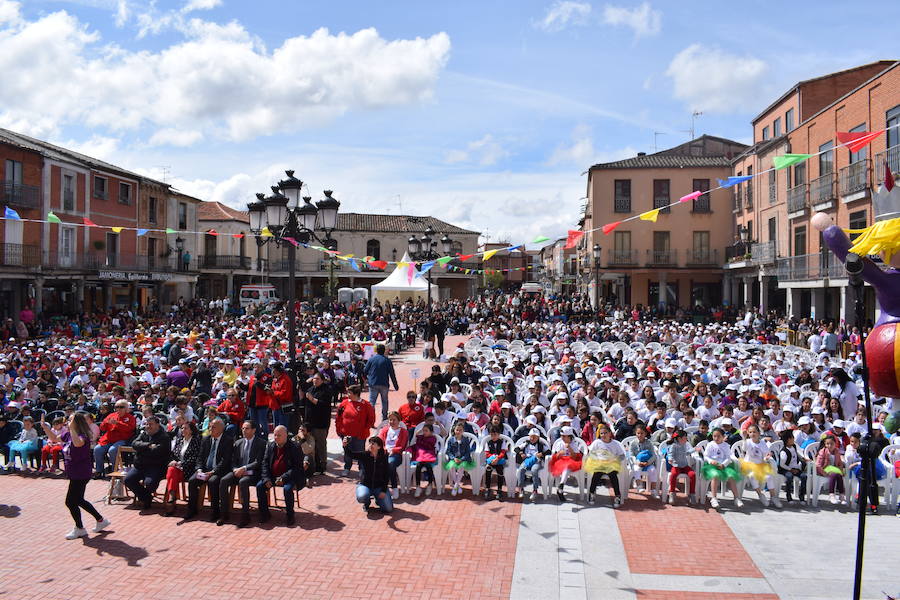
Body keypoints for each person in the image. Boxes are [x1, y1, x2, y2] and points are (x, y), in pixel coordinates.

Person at [42, 412, 110, 539]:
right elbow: (54, 439)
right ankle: (100, 520)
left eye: (71, 420)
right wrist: (45, 428)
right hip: (73, 472)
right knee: (78, 500)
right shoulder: (68, 434)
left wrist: (72, 428)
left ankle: (80, 528)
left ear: (77, 423)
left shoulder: (83, 435)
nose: (67, 421)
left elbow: (78, 443)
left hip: (81, 472)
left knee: (70, 501)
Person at [220, 420, 267, 527]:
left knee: (243, 482)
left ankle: (245, 515)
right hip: (238, 471)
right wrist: (235, 469)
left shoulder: (261, 443)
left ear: (254, 430)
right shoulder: (238, 442)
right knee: (223, 481)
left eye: (247, 428)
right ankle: (224, 513)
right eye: (243, 428)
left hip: (253, 473)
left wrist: (244, 468)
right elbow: (233, 460)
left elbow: (258, 462)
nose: (244, 430)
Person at [186, 418, 234, 521]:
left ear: (221, 428)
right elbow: (200, 457)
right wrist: (199, 469)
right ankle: (192, 510)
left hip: (219, 471)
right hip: (204, 470)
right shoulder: (206, 439)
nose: (210, 429)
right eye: (209, 427)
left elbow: (225, 460)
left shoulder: (228, 440)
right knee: (192, 481)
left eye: (213, 427)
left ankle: (216, 512)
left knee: (213, 481)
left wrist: (213, 472)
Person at [257, 425, 305, 526]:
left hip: (289, 477)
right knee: (260, 486)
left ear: (286, 436)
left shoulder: (295, 447)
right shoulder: (271, 445)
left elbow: (297, 467)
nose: (276, 437)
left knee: (287, 489)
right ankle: (264, 514)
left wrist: (284, 477)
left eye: (279, 435)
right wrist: (266, 478)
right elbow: (264, 463)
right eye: (274, 435)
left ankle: (290, 515)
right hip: (272, 475)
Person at [123, 416, 171, 509]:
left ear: (157, 425)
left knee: (150, 484)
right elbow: (134, 444)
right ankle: (146, 497)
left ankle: (146, 497)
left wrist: (141, 450)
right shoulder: (144, 434)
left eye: (151, 424)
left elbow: (157, 452)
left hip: (155, 466)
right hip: (140, 465)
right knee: (128, 480)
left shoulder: (164, 437)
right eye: (147, 424)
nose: (148, 426)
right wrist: (148, 445)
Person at [336, 384, 375, 477]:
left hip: (359, 435)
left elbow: (371, 419)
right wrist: (339, 429)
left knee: (360, 452)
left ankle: (361, 469)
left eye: (349, 392)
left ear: (356, 393)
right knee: (347, 452)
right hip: (345, 434)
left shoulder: (366, 405)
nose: (347, 394)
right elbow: (338, 417)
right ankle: (347, 468)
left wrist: (364, 429)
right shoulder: (344, 403)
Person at [162, 422, 200, 516]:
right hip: (177, 469)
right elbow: (173, 454)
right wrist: (173, 461)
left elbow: (195, 457)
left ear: (191, 430)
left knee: (172, 474)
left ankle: (172, 499)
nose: (183, 430)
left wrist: (181, 463)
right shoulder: (179, 440)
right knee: (171, 470)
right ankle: (172, 496)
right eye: (182, 428)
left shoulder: (196, 441)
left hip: (189, 469)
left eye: (185, 428)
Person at [584, 425, 626, 507]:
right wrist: (596, 459)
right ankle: (592, 493)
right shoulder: (597, 442)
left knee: (613, 475)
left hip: (611, 464)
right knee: (596, 474)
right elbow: (591, 453)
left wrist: (614, 459)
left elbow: (622, 456)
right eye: (601, 433)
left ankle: (617, 495)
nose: (603, 435)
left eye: (605, 433)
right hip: (599, 463)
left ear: (610, 433)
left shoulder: (615, 444)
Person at [701, 427, 743, 509]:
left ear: (723, 437)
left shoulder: (726, 446)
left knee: (731, 476)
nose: (716, 438)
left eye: (718, 436)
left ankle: (736, 498)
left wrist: (724, 464)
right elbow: (705, 456)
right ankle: (714, 498)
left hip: (723, 466)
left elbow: (728, 457)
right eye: (714, 436)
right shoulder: (710, 445)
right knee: (715, 475)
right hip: (712, 466)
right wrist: (710, 461)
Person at [93, 399, 136, 477]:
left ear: (126, 408)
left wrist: (117, 423)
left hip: (122, 439)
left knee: (112, 450)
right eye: (117, 407)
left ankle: (115, 471)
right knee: (97, 449)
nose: (118, 409)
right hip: (108, 439)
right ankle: (99, 471)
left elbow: (130, 429)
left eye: (121, 407)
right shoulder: (112, 415)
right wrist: (106, 423)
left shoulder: (130, 417)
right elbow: (102, 427)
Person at [741, 424, 781, 508]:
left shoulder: (762, 443)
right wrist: (744, 438)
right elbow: (744, 449)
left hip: (760, 465)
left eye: (754, 432)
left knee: (769, 477)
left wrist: (767, 457)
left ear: (759, 433)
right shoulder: (748, 442)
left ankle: (773, 496)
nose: (752, 434)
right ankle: (760, 494)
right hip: (749, 465)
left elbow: (765, 454)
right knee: (752, 476)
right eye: (750, 432)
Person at [353, 435, 393, 513]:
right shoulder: (365, 455)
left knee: (388, 509)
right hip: (365, 485)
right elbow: (351, 454)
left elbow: (386, 474)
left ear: (379, 447)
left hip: (379, 487)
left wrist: (384, 490)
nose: (370, 445)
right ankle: (367, 502)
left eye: (373, 444)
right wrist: (345, 446)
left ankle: (378, 500)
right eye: (370, 443)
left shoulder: (384, 457)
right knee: (362, 496)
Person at [304, 371, 333, 475]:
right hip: (310, 422)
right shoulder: (311, 389)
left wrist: (313, 399)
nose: (315, 381)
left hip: (321, 422)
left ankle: (322, 465)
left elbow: (323, 404)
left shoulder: (326, 390)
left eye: (317, 379)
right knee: (311, 445)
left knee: (320, 444)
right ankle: (313, 465)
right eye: (314, 379)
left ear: (322, 380)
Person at [365, 344, 399, 422]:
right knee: (384, 401)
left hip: (373, 383)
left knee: (372, 402)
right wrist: (395, 386)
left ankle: (371, 419)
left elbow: (365, 370)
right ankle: (384, 418)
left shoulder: (371, 359)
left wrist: (368, 378)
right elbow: (392, 374)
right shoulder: (387, 360)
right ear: (384, 351)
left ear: (376, 350)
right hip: (384, 384)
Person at [378, 411, 408, 499]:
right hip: (384, 453)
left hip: (396, 454)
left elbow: (402, 445)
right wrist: (385, 450)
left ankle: (394, 488)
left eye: (394, 420)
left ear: (399, 421)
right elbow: (379, 442)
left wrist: (393, 450)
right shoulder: (385, 430)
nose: (392, 422)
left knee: (390, 464)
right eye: (390, 420)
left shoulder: (403, 431)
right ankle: (378, 487)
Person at [549, 426, 583, 502]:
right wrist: (560, 453)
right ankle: (561, 486)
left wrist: (570, 448)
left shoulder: (574, 443)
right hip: (561, 461)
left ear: (569, 436)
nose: (562, 438)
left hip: (571, 461)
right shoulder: (560, 443)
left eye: (564, 436)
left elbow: (575, 457)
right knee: (565, 466)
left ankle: (561, 486)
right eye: (562, 436)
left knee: (567, 466)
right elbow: (556, 456)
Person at [445, 421, 476, 497]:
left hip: (463, 459)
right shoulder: (451, 440)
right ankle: (457, 485)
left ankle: (455, 486)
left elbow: (467, 452)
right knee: (451, 466)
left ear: (463, 431)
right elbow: (448, 451)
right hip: (454, 459)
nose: (458, 431)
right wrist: (454, 458)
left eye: (460, 430)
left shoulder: (465, 440)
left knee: (461, 467)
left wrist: (461, 459)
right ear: (454, 430)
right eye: (457, 430)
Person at [515, 428, 548, 501]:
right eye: (531, 436)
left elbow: (549, 451)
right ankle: (521, 488)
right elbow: (516, 449)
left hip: (536, 461)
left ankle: (535, 490)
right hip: (527, 460)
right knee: (521, 470)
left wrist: (542, 454)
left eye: (534, 437)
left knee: (534, 470)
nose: (532, 438)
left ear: (538, 438)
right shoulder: (526, 443)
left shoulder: (541, 445)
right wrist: (521, 453)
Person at [665, 429, 696, 504]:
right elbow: (670, 454)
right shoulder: (673, 446)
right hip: (676, 466)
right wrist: (670, 459)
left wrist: (694, 450)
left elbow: (687, 453)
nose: (686, 439)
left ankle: (692, 494)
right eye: (685, 438)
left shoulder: (685, 445)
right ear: (679, 439)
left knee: (692, 474)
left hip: (684, 465)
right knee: (673, 475)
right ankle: (672, 493)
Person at [778, 429, 807, 504]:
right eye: (791, 438)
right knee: (789, 477)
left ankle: (802, 496)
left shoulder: (794, 446)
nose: (793, 439)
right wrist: (790, 469)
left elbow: (796, 454)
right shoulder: (784, 452)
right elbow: (782, 464)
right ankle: (789, 496)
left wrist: (803, 459)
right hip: (786, 469)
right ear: (787, 440)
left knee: (804, 476)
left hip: (795, 468)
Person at [410, 423, 439, 498]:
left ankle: (430, 484)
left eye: (426, 431)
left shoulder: (433, 438)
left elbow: (429, 446)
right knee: (418, 466)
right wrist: (420, 431)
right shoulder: (420, 437)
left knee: (428, 466)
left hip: (429, 455)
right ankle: (418, 486)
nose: (424, 432)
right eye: (423, 431)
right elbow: (416, 435)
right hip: (421, 456)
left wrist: (421, 439)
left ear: (431, 432)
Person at [816, 434, 845, 505]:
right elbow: (818, 465)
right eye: (827, 444)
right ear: (825, 444)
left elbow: (840, 463)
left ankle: (841, 495)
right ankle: (831, 494)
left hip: (834, 469)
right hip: (825, 469)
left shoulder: (837, 451)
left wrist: (841, 469)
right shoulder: (823, 451)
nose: (829, 446)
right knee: (834, 474)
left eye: (831, 444)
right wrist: (823, 472)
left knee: (838, 475)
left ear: (835, 444)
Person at [482, 425, 508, 500]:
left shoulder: (502, 442)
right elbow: (487, 453)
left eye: (495, 434)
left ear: (499, 434)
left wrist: (497, 458)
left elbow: (503, 452)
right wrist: (493, 458)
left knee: (500, 471)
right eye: (492, 435)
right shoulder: (488, 442)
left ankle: (499, 489)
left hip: (499, 460)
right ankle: (487, 488)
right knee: (488, 469)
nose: (493, 436)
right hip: (491, 460)